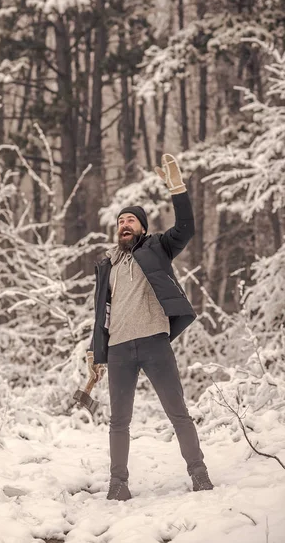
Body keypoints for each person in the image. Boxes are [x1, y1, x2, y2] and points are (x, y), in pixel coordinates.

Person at [87, 154, 213, 501]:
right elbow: (101, 313)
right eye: (120, 221)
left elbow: (186, 226)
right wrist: (94, 352)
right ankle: (118, 483)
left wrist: (177, 187)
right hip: (119, 349)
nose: (124, 224)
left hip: (155, 341)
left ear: (142, 227)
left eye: (131, 220)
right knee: (118, 422)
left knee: (178, 413)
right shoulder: (106, 264)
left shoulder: (158, 247)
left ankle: (198, 472)